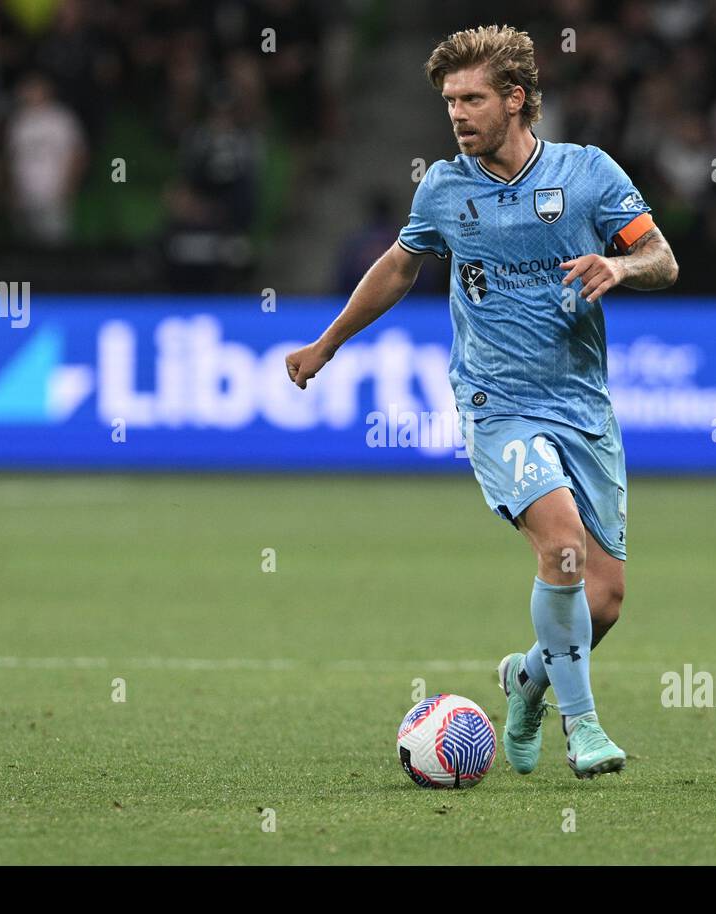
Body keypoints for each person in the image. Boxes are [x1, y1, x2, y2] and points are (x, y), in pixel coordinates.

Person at [284, 25, 678, 779]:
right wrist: (327, 343)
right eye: (449, 102)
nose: (458, 116)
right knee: (559, 542)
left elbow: (662, 256)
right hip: (496, 403)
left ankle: (527, 682)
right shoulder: (444, 186)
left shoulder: (588, 174)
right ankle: (584, 727)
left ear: (517, 99)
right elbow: (400, 267)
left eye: (472, 99)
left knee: (605, 601)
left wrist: (622, 268)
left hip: (582, 405)